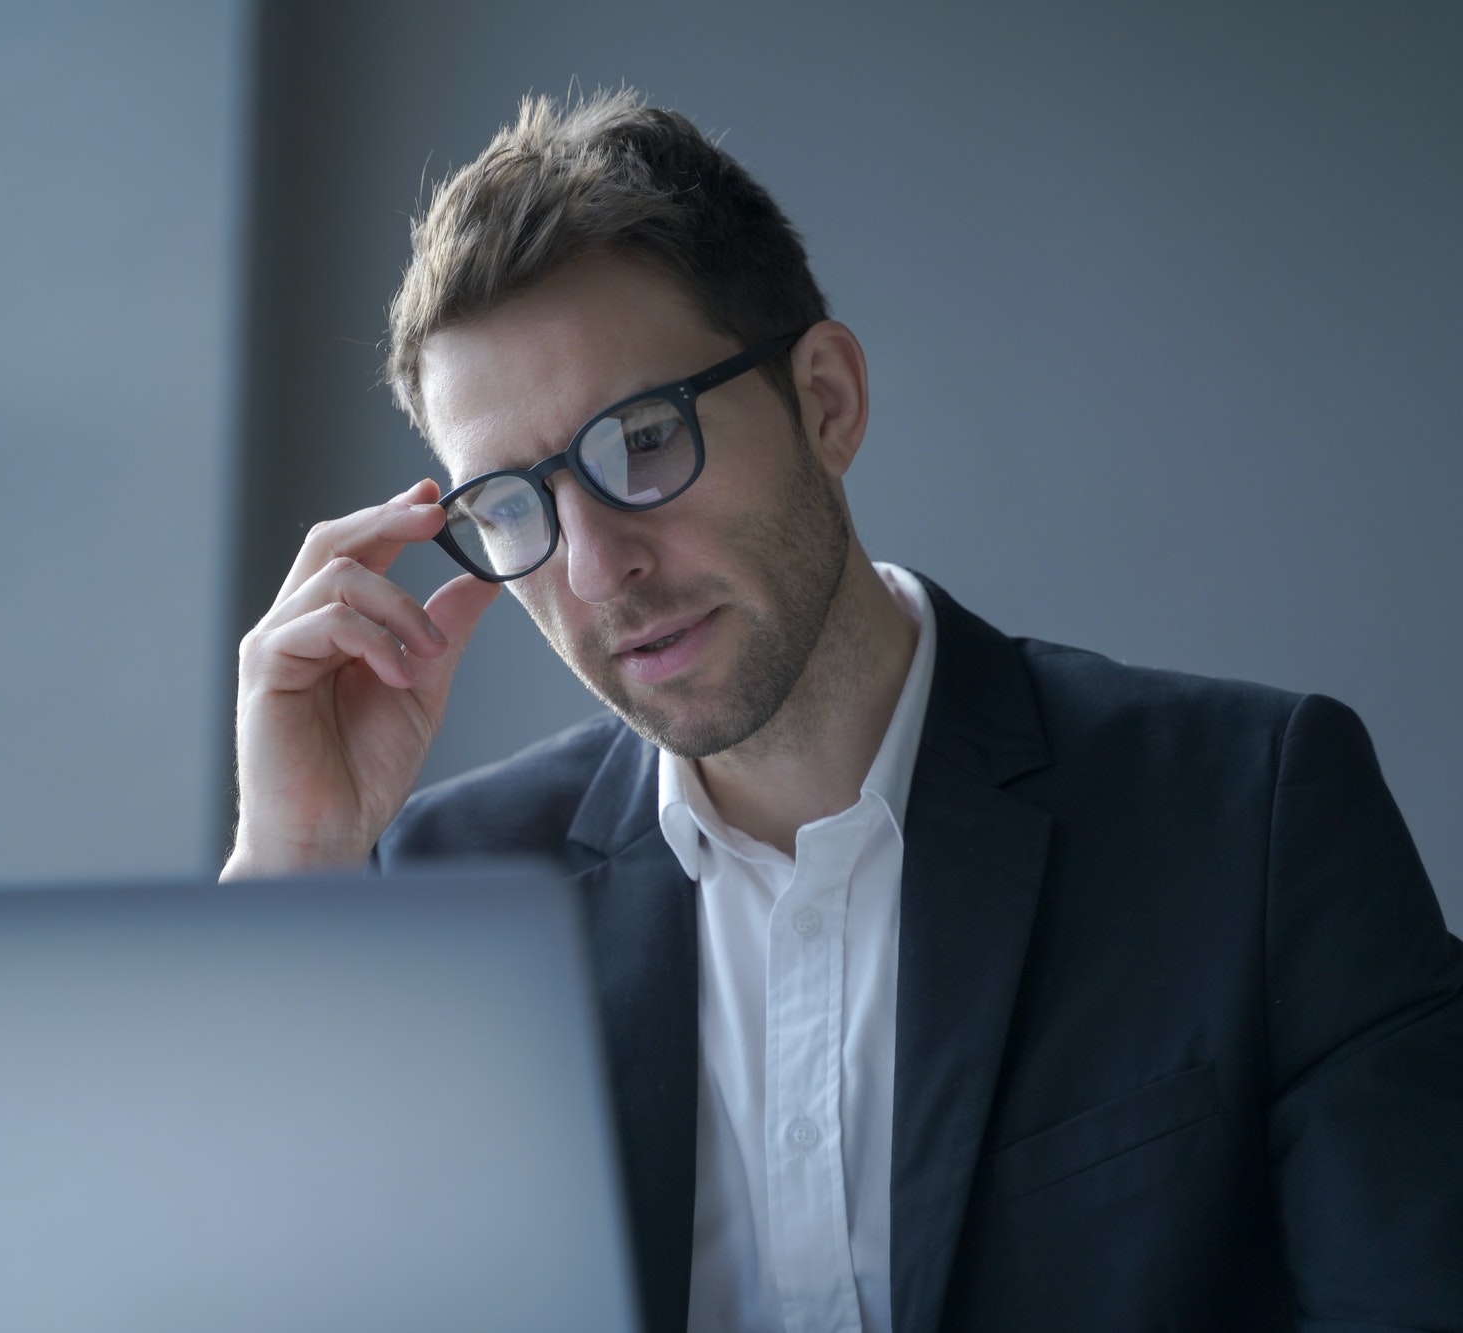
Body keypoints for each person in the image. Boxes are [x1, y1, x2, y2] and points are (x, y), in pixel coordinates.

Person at [222, 89, 1463, 1332]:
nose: (596, 569)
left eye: (642, 441)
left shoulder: (1251, 816)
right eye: (507, 506)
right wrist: (295, 861)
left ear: (825, 402)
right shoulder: (444, 893)